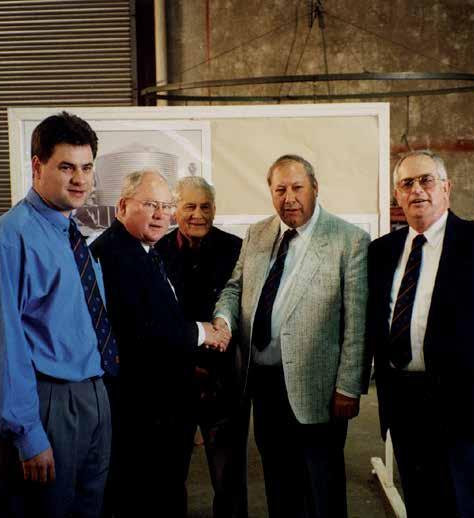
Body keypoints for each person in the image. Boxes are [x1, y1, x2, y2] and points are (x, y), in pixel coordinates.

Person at [365, 150, 474, 518]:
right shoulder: (381, 252)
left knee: (467, 506)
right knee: (421, 504)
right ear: (397, 196)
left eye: (426, 180)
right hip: (405, 403)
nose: (417, 190)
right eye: (406, 183)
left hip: (464, 403)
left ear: (446, 188)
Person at [213, 154, 370, 518]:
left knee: (322, 492)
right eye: (280, 189)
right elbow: (235, 288)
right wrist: (223, 319)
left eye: (297, 187)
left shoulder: (348, 240)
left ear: (315, 188)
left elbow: (356, 322)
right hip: (264, 384)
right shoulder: (257, 234)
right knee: (279, 487)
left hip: (320, 389)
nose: (289, 198)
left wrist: (349, 386)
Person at [0, 111, 113, 518]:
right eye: (67, 167)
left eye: (87, 167)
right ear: (37, 166)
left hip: (91, 395)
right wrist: (28, 433)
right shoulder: (9, 238)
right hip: (44, 402)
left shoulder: (71, 233)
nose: (80, 179)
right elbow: (2, 342)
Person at [89, 170, 228, 517]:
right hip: (143, 409)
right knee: (147, 496)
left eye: (166, 206)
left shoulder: (142, 249)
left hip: (161, 405)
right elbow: (144, 331)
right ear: (123, 206)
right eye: (151, 205)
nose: (160, 214)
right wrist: (203, 332)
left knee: (165, 492)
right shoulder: (117, 253)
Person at [155, 176, 248, 518]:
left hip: (223, 381)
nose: (198, 214)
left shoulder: (237, 249)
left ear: (214, 209)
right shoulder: (157, 251)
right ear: (175, 210)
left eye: (205, 207)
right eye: (190, 206)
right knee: (169, 478)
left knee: (229, 480)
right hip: (173, 383)